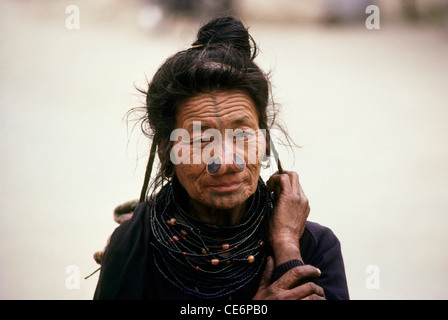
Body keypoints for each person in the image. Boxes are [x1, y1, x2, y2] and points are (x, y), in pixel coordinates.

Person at [93, 16, 349, 300]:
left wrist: (287, 245)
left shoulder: (314, 246)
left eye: (242, 135)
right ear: (167, 152)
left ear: (264, 143)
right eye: (201, 139)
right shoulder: (135, 249)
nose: (226, 162)